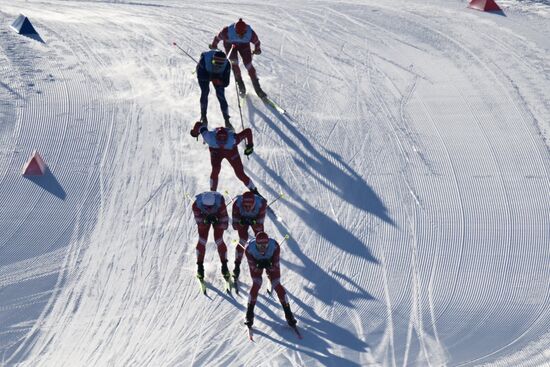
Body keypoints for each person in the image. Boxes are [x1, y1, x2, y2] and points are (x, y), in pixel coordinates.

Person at [244, 231, 297, 327]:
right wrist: (258, 265)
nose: (263, 249)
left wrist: (270, 265)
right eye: (260, 246)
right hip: (257, 264)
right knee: (256, 284)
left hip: (270, 262)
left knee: (277, 284)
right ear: (256, 244)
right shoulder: (249, 249)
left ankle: (288, 313)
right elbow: (253, 267)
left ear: (268, 243)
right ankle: (249, 313)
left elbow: (276, 265)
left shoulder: (275, 246)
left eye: (265, 245)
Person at [190, 122, 260, 194]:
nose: (222, 144)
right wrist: (250, 146)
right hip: (228, 150)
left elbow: (199, 125)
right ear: (216, 137)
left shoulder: (210, 137)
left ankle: (253, 189)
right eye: (220, 141)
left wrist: (195, 132)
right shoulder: (232, 139)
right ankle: (213, 193)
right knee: (216, 169)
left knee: (240, 173)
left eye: (224, 142)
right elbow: (247, 131)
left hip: (220, 150)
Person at [209, 18, 266, 98]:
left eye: (243, 33)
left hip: (244, 46)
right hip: (230, 45)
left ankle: (258, 89)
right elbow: (218, 37)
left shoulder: (250, 33)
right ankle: (241, 85)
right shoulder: (227, 31)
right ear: (235, 31)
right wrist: (214, 45)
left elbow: (257, 42)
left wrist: (257, 49)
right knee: (234, 64)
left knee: (248, 65)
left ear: (245, 31)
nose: (241, 36)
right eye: (239, 34)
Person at [192, 191, 230, 281]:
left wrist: (218, 221)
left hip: (217, 215)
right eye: (206, 207)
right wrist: (204, 221)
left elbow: (225, 222)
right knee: (202, 241)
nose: (209, 209)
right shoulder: (196, 205)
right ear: (202, 204)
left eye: (211, 207)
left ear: (214, 204)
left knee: (219, 240)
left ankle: (224, 265)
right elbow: (199, 221)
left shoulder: (220, 203)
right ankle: (200, 266)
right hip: (204, 216)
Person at [231, 191, 267, 280]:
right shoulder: (236, 205)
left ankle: (265, 264)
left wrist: (254, 222)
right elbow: (235, 226)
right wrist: (241, 222)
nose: (247, 208)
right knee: (243, 239)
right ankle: (237, 265)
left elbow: (259, 224)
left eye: (249, 206)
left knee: (260, 240)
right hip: (243, 220)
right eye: (245, 206)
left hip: (255, 220)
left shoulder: (261, 205)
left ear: (254, 203)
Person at [196, 49, 232, 128]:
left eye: (219, 65)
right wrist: (212, 78)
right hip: (206, 72)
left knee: (221, 95)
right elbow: (200, 76)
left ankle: (226, 119)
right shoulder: (203, 61)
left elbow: (226, 82)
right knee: (205, 92)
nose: (216, 66)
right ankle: (203, 115)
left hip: (218, 75)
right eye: (214, 62)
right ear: (212, 60)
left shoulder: (227, 65)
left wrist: (220, 82)